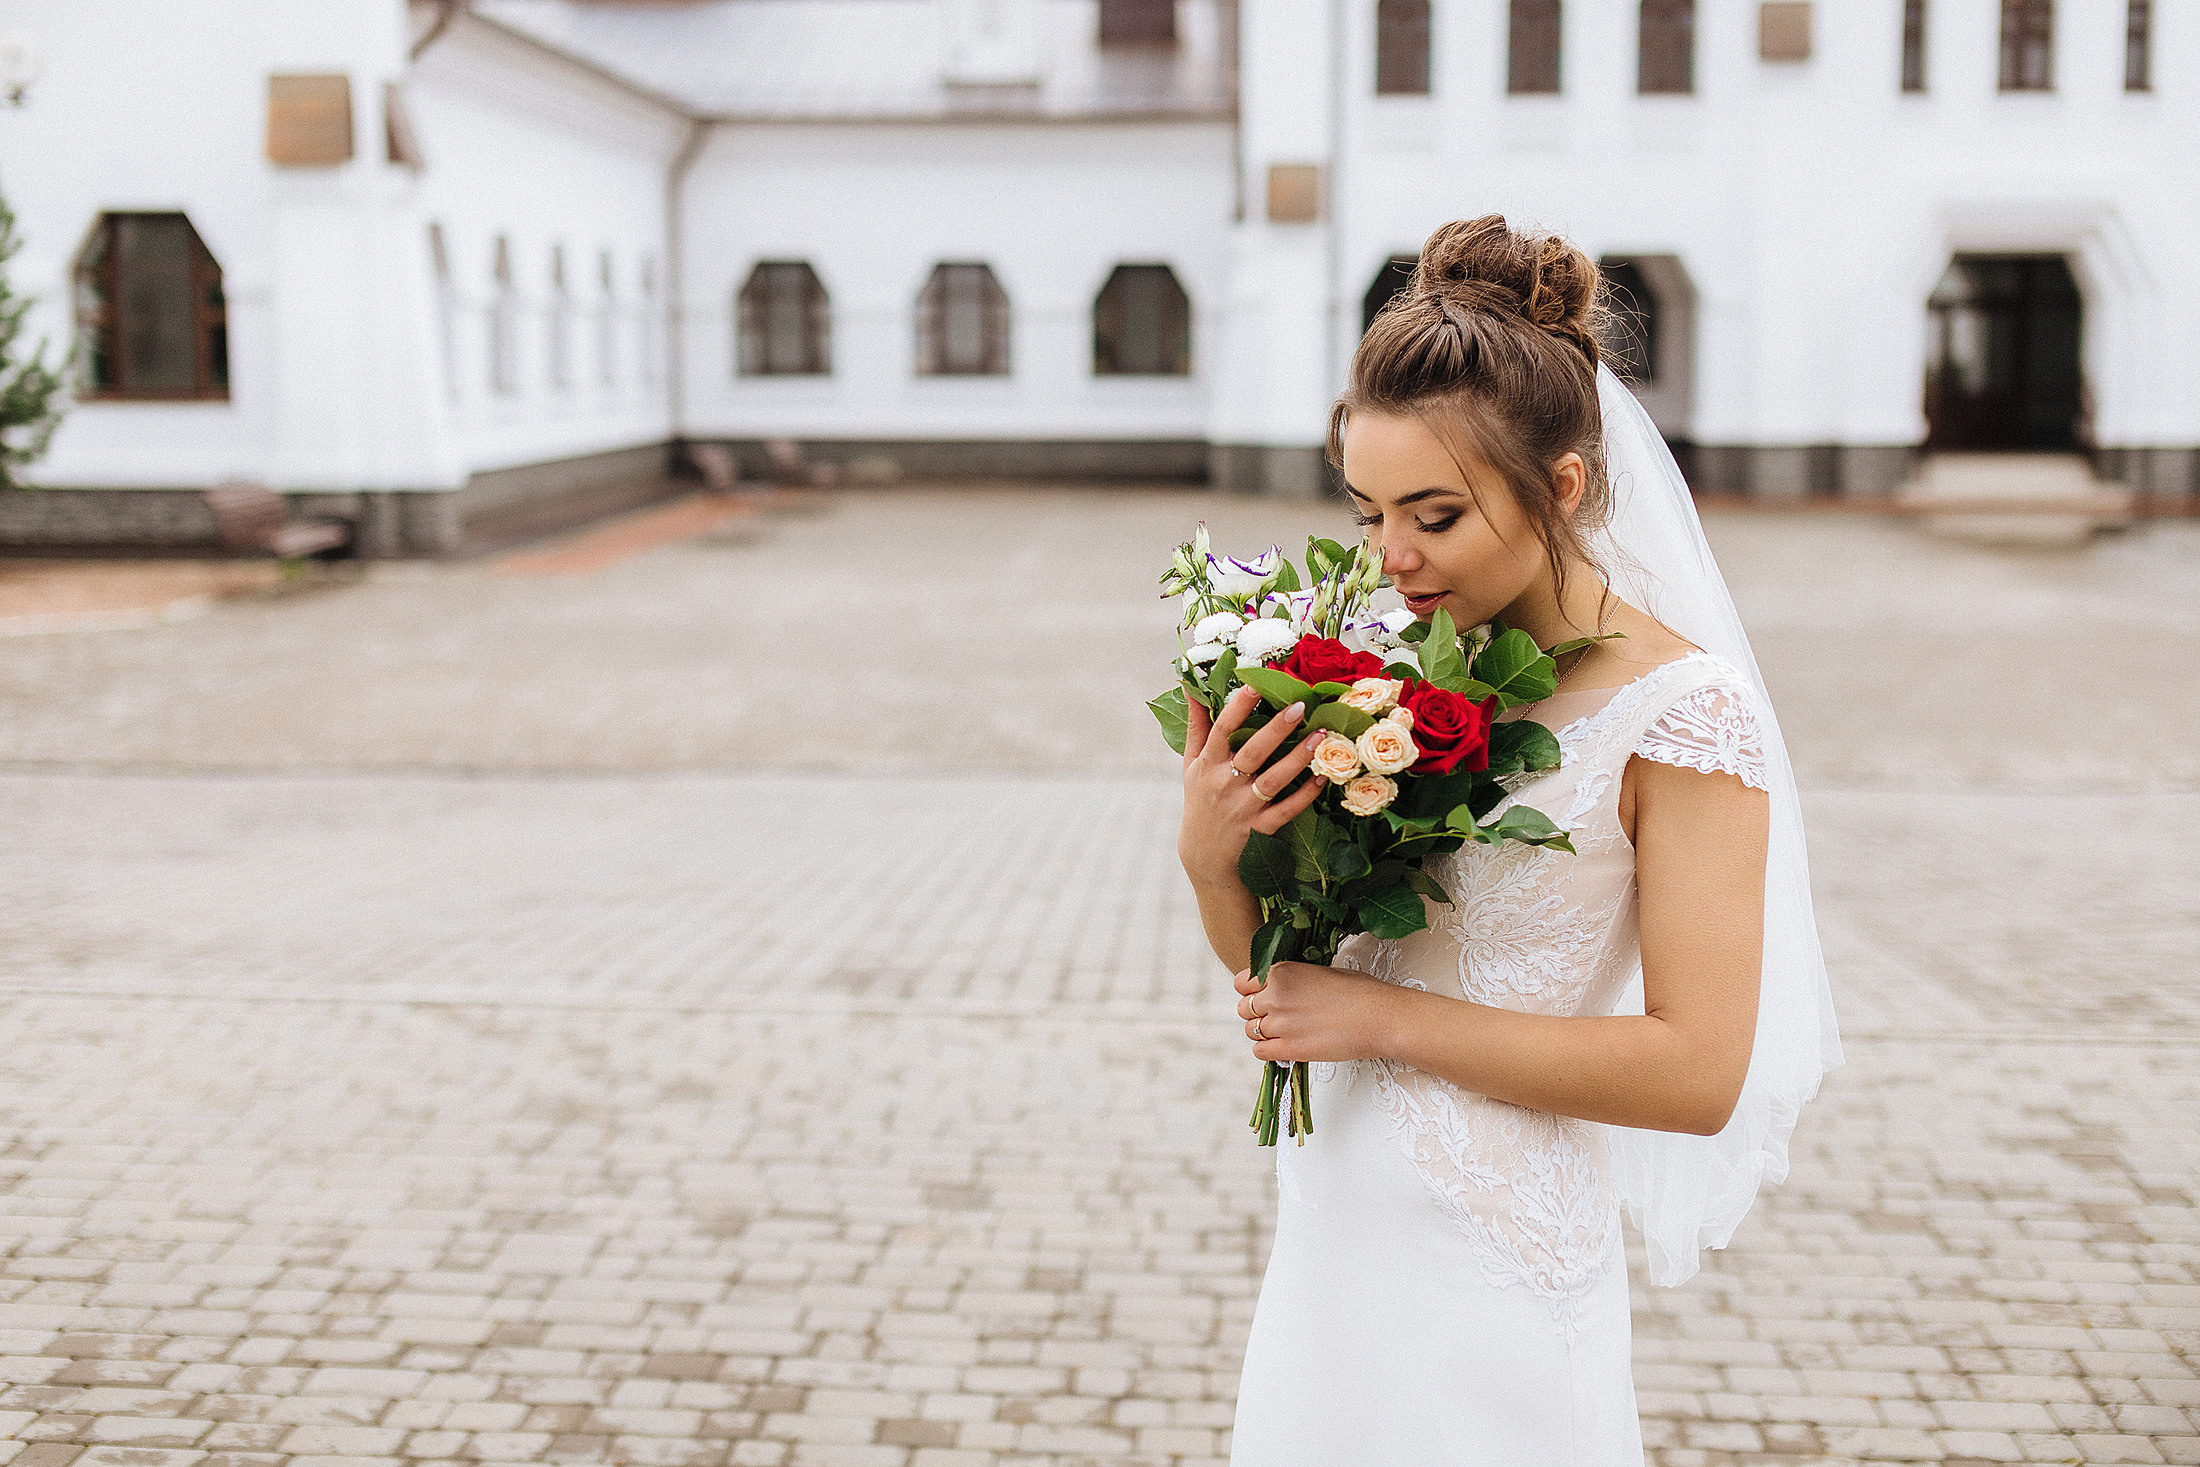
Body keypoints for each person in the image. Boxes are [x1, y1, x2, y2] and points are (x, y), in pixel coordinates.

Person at [1174, 216, 1839, 1463]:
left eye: (1434, 513)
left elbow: (1698, 1075)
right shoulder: (1387, 663)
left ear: (1564, 488)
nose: (1392, 558)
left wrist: (1381, 1024)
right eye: (1370, 512)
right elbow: (1288, 981)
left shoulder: (1685, 719)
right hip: (1332, 1232)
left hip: (1495, 1277)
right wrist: (1215, 858)